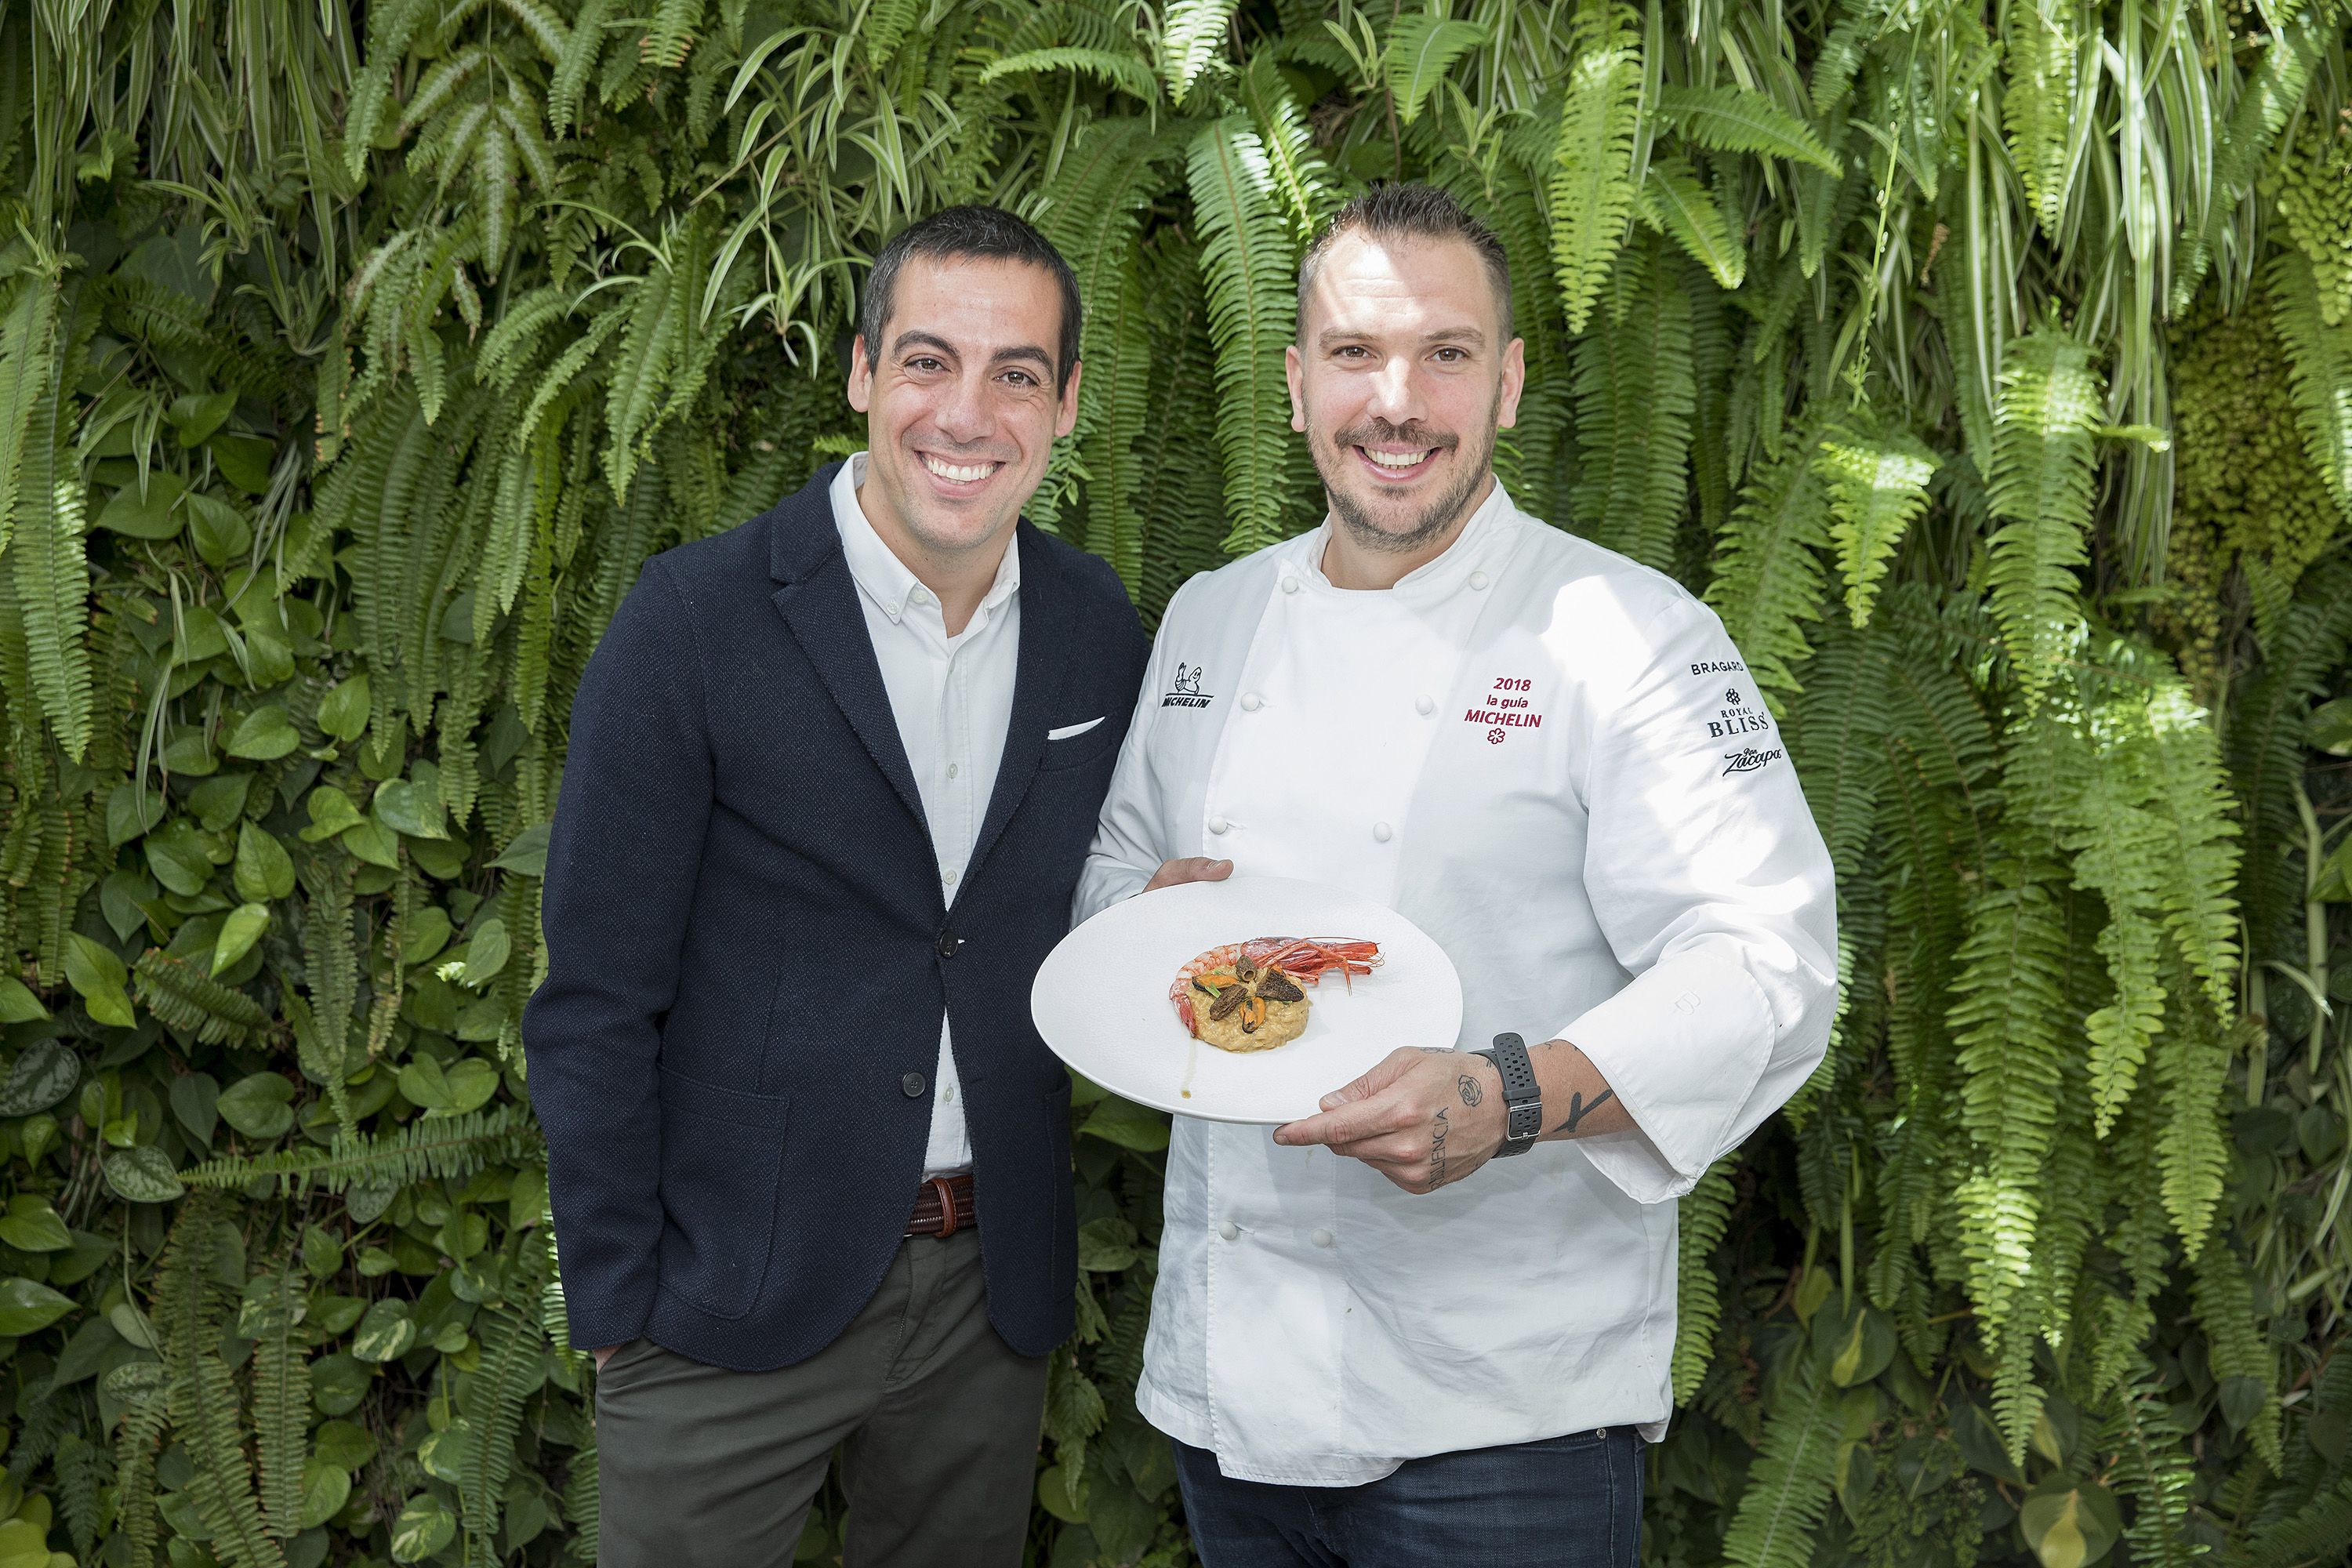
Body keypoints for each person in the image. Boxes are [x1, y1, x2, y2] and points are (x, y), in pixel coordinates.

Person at [1076, 183, 1838, 1566]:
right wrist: (1147, 931)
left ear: (1511, 384)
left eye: (1448, 352)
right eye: (1357, 353)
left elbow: (1767, 968)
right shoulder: (1214, 613)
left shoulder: (1630, 634)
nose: (1399, 402)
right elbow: (1117, 881)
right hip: (1229, 1383)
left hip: (1502, 1412)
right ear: (1297, 381)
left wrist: (1509, 1096)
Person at [524, 205, 1149, 1568]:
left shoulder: (1099, 629)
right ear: (863, 372)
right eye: (928, 362)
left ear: (1067, 404)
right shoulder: (694, 621)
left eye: (1017, 374)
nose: (967, 413)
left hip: (990, 1295)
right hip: (719, 1301)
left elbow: (1098, 900)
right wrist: (620, 1299)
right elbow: (593, 997)